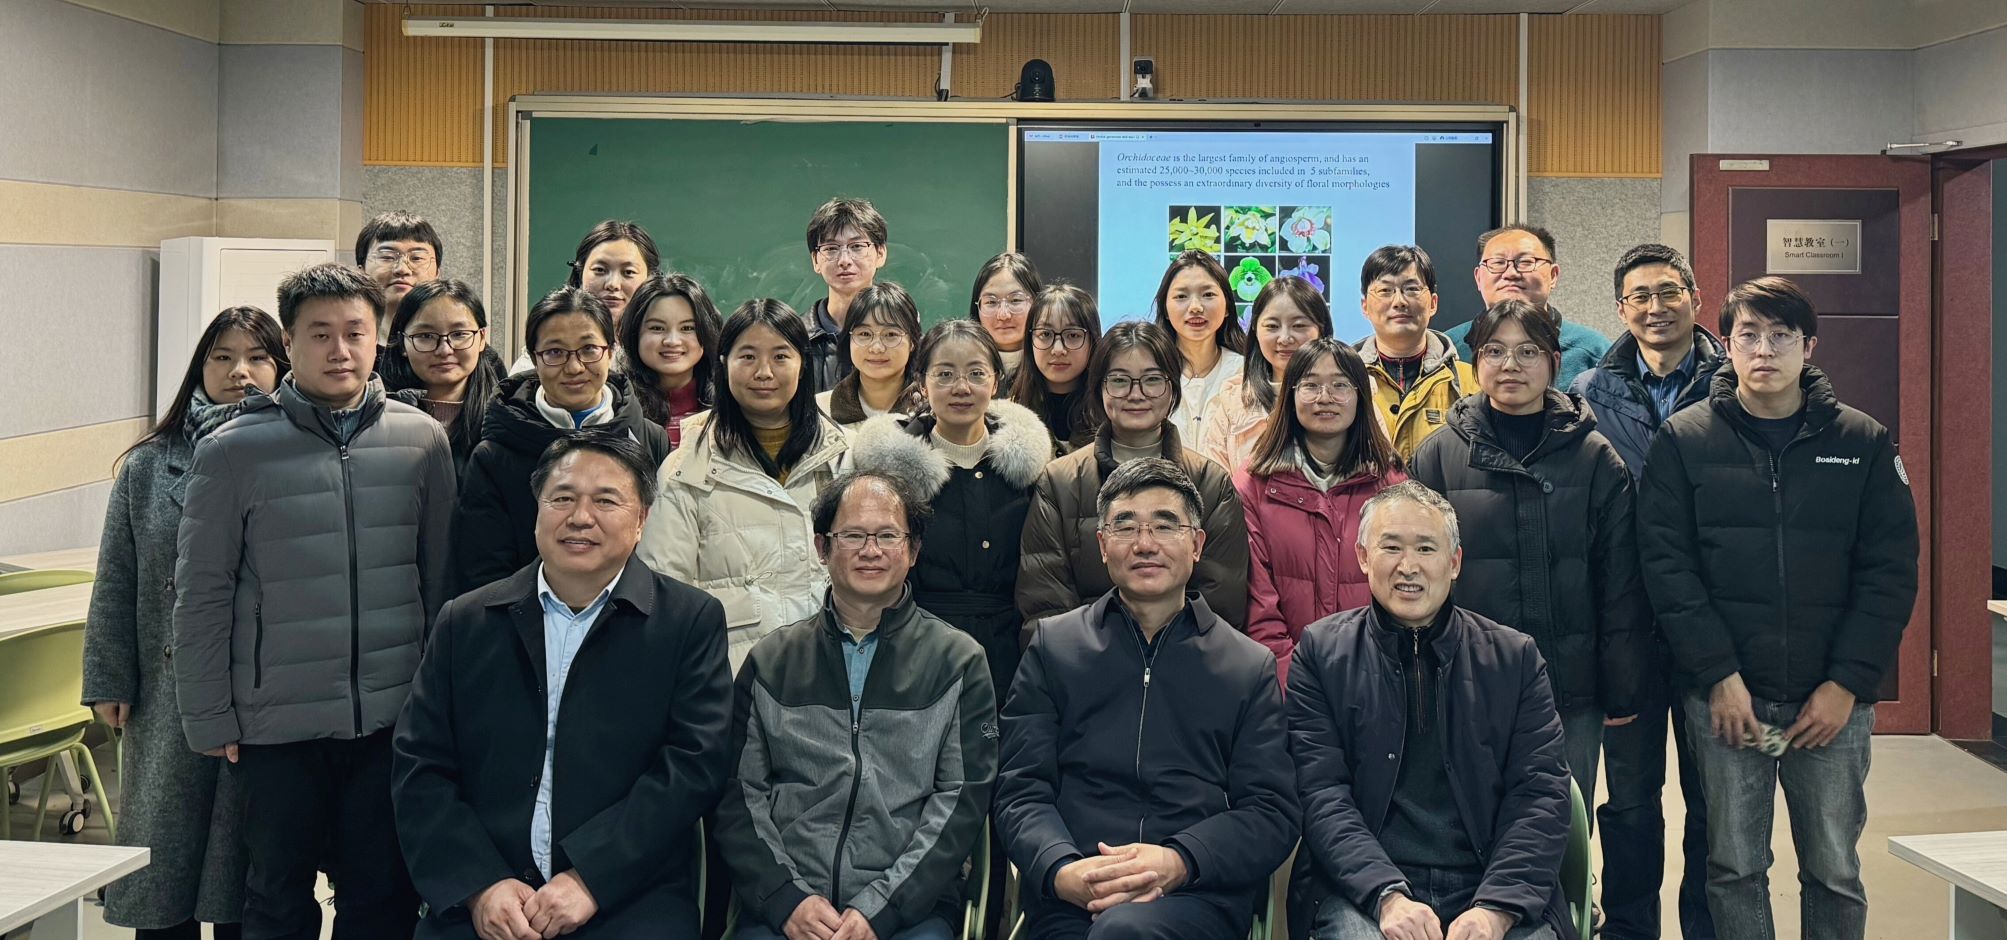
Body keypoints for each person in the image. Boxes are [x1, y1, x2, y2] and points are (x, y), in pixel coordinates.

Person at [173, 263, 456, 940]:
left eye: (355, 333)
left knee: (380, 895)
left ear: (377, 339)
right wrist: (208, 716)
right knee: (276, 898)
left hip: (391, 717)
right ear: (289, 345)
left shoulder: (421, 440)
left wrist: (439, 705)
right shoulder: (232, 450)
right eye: (320, 334)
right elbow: (201, 592)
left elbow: (442, 581)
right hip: (276, 724)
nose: (340, 350)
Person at [1638, 277, 1918, 940]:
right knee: (1734, 867)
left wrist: (1846, 684)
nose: (1764, 350)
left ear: (1807, 346)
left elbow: (1889, 573)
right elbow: (1667, 569)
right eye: (1748, 336)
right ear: (1726, 345)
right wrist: (1717, 676)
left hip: (1831, 704)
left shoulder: (1861, 440)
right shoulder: (1684, 439)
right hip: (1727, 699)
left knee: (1833, 869)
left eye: (1780, 336)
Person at [393, 431, 732, 940]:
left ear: (642, 519)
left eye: (606, 501)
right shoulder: (466, 622)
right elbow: (420, 765)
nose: (580, 517)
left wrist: (591, 877)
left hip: (628, 896)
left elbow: (692, 767)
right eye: (563, 498)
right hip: (487, 896)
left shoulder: (687, 621)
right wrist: (480, 885)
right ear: (537, 510)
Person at [997, 458, 1298, 940]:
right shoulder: (1056, 647)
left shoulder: (1246, 666)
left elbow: (1270, 811)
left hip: (1193, 895)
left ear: (1197, 544)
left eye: (1165, 525)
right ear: (1102, 545)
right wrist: (1061, 868)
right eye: (1125, 526)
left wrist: (1179, 860)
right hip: (1074, 893)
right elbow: (1021, 788)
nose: (1145, 544)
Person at [713, 470, 996, 940]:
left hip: (909, 910)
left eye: (887, 535)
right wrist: (787, 899)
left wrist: (881, 909)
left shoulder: (958, 662)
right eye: (853, 535)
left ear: (913, 550)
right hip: (788, 909)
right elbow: (738, 795)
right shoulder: (772, 661)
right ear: (822, 548)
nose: (871, 550)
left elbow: (961, 802)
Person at [1287, 481, 1573, 940]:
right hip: (1365, 890)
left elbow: (1540, 794)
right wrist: (1385, 896)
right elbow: (1321, 794)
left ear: (1454, 562)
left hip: (1490, 882)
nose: (1409, 567)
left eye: (1425, 548)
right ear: (1363, 557)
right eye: (1391, 547)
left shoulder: (1514, 658)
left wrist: (1495, 909)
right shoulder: (1321, 654)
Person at [84, 307, 287, 940]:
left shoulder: (294, 455)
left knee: (241, 866)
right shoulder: (149, 464)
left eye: (257, 357)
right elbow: (117, 576)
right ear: (200, 368)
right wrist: (109, 677)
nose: (239, 372)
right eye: (222, 357)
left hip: (260, 688)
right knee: (163, 859)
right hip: (165, 688)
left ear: (281, 368)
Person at [1409, 299, 1650, 808]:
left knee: (1563, 828)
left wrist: (1623, 684)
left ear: (1554, 362)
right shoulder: (1438, 456)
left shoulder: (1595, 458)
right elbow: (1418, 581)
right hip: (1466, 687)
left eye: (1528, 351)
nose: (1510, 365)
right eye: (1494, 351)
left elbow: (1620, 581)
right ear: (1476, 362)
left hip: (1572, 690)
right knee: (1469, 825)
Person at [1567, 243, 1724, 940]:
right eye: (1639, 296)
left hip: (1714, 624)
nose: (1655, 307)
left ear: (1694, 297)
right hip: (1625, 624)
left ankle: (1706, 927)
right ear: (1620, 309)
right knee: (1629, 799)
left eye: (1668, 292)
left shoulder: (1734, 385)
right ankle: (1630, 928)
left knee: (1714, 799)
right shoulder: (1588, 393)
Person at [638, 299, 851, 669]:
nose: (764, 372)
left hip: (835, 678)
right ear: (724, 363)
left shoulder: (846, 458)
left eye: (780, 357)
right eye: (748, 356)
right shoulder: (687, 468)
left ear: (802, 364)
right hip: (731, 683)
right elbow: (662, 593)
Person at [850, 319, 1053, 701]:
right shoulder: (891, 475)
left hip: (1014, 656)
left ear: (995, 382)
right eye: (945, 374)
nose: (961, 387)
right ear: (922, 383)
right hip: (914, 656)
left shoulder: (1028, 469)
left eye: (976, 373)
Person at [1018, 321, 1250, 633]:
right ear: (1099, 388)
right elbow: (1044, 603)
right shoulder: (1060, 481)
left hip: (1184, 659)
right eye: (1119, 380)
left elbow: (1220, 605)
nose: (1136, 394)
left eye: (1152, 380)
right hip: (1082, 656)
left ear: (1173, 387)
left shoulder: (1210, 483)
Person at [452, 287, 670, 595]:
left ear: (611, 351)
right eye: (555, 352)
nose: (574, 367)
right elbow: (485, 573)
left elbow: (659, 550)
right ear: (534, 358)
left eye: (589, 349)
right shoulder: (495, 454)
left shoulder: (650, 438)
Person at [1237, 337, 1403, 686]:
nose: (1325, 397)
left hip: (1378, 681)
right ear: (1290, 395)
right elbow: (1258, 610)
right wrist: (1294, 687)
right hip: (1282, 685)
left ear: (1361, 396)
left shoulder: (1392, 485)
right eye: (1310, 385)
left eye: (1340, 385)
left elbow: (1402, 593)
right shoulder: (1253, 486)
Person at [1445, 225, 1610, 389]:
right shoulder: (1447, 349)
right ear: (1478, 278)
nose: (1511, 273)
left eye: (1525, 262)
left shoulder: (1594, 351)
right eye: (1498, 262)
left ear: (1553, 275)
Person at [1198, 276, 1333, 475]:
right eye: (1272, 326)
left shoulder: (1348, 394)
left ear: (1321, 330)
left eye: (1299, 326)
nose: (1284, 338)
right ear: (1255, 329)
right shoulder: (1232, 402)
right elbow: (1212, 482)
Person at [1353, 245, 1475, 463]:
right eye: (1385, 290)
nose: (1399, 301)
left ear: (1433, 303)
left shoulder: (1472, 381)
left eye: (1411, 289)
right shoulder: (1346, 380)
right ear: (1365, 306)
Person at [380, 278, 505, 475]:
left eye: (459, 334)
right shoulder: (378, 419)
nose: (445, 350)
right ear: (402, 344)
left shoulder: (507, 419)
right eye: (426, 336)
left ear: (482, 339)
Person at [510, 220, 660, 373]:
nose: (613, 284)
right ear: (580, 273)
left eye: (628, 272)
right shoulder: (544, 350)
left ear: (650, 279)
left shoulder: (663, 348)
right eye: (600, 270)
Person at [618, 273, 722, 450]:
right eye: (657, 328)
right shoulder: (615, 406)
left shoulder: (731, 404)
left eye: (687, 328)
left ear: (707, 332)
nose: (672, 341)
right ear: (634, 334)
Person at [1155, 250, 1247, 444]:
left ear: (1227, 307)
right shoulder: (1150, 373)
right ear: (1165, 309)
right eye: (1181, 296)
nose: (1195, 307)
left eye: (1208, 294)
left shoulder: (1247, 372)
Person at [803, 197, 889, 393]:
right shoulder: (795, 339)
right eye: (831, 248)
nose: (844, 260)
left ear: (880, 253)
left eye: (857, 246)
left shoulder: (905, 337)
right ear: (816, 261)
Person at [1009, 282, 1102, 455]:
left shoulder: (1111, 418)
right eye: (1045, 334)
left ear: (1093, 340)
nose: (1058, 349)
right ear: (1030, 341)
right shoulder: (1007, 418)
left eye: (1072, 335)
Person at [817, 281, 921, 426]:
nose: (876, 348)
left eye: (891, 334)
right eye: (865, 334)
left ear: (912, 342)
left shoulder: (933, 410)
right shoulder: (819, 411)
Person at [356, 210, 443, 334]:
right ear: (361, 272)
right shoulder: (343, 341)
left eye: (417, 258)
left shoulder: (452, 341)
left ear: (437, 274)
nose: (402, 269)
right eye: (387, 257)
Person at [968, 251, 1043, 388]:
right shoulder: (960, 369)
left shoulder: (1053, 368)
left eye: (1015, 300)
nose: (1003, 315)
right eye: (991, 302)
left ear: (1037, 303)